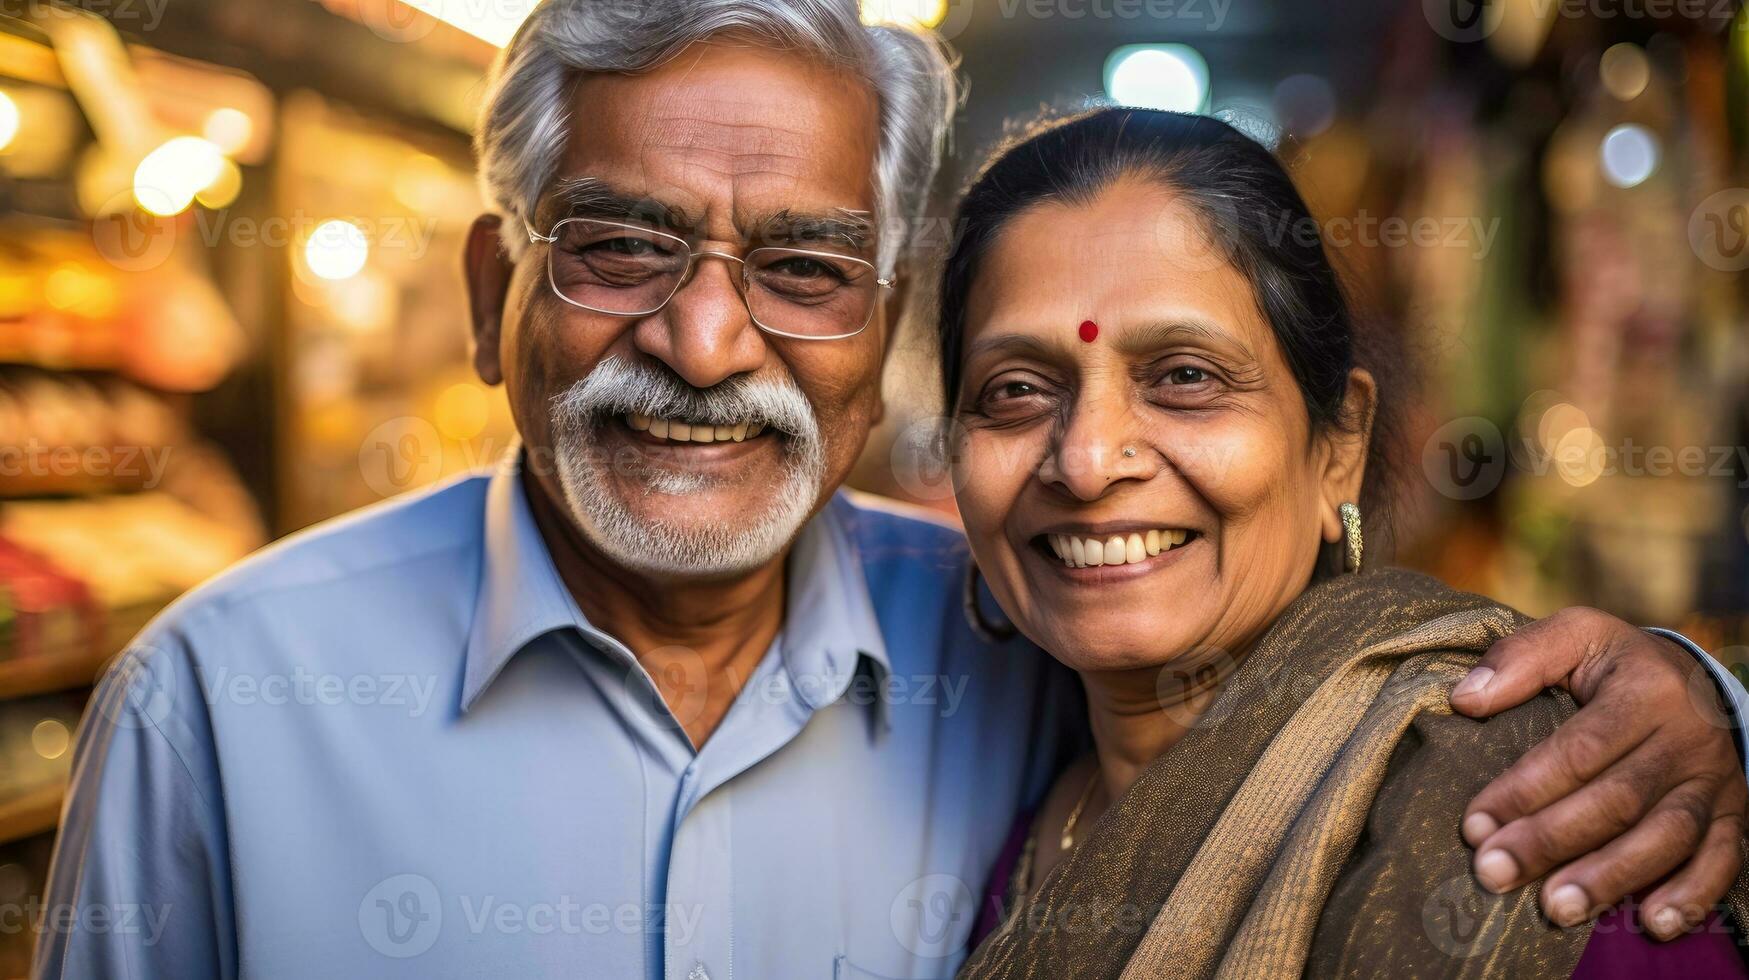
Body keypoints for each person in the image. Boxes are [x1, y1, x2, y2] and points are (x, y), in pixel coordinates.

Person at [32, 2, 1749, 977]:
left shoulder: (1030, 651)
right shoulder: (220, 710)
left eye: (799, 264)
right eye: (622, 248)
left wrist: (1702, 705)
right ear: (492, 299)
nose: (706, 343)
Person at [941, 107, 1749, 977]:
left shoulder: (1544, 812)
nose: (1088, 460)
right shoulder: (1006, 803)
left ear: (1339, 447)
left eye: (1185, 376)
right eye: (1016, 389)